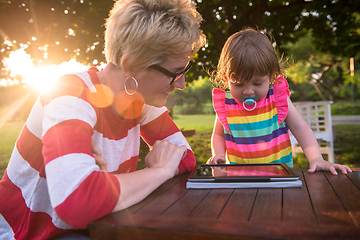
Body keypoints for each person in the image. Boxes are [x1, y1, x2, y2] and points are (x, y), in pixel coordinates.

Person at [0, 0, 206, 239]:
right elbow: (76, 201)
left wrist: (103, 185)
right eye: (175, 73)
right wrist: (159, 172)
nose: (181, 84)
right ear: (133, 67)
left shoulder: (141, 100)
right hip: (29, 233)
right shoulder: (69, 93)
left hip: (93, 225)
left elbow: (184, 157)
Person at [207, 28, 352, 176]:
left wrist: (316, 158)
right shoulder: (226, 104)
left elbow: (300, 127)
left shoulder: (277, 99)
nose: (248, 91)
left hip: (279, 178)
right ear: (226, 78)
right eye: (238, 84)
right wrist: (218, 157)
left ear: (271, 76)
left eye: (257, 84)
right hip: (240, 179)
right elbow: (219, 135)